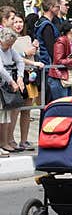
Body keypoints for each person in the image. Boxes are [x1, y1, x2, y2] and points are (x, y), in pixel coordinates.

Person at [11, 14, 41, 151]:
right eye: (15, 22)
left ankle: (24, 140)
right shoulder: (10, 39)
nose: (18, 24)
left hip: (31, 77)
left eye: (20, 22)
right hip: (18, 76)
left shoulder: (28, 38)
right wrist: (27, 55)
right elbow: (17, 58)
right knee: (15, 111)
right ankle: (11, 139)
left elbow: (33, 54)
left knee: (27, 110)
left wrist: (35, 48)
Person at [0, 27, 26, 156]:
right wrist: (12, 81)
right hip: (3, 83)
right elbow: (0, 69)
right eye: (7, 44)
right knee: (2, 115)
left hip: (7, 84)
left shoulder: (10, 49)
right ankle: (2, 142)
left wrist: (20, 77)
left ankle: (5, 142)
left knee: (6, 116)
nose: (9, 47)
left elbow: (20, 61)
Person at [47, 20, 72, 101]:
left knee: (70, 103)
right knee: (62, 104)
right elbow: (58, 61)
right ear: (71, 30)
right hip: (59, 78)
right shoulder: (61, 41)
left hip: (69, 77)